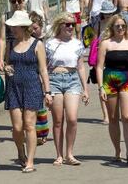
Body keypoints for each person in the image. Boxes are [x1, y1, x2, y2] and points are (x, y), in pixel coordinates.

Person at [4, 10, 51, 172]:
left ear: (23, 27)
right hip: (14, 88)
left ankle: (30, 161)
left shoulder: (37, 44)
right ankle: (20, 152)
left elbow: (43, 70)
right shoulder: (10, 43)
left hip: (32, 87)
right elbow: (7, 64)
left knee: (30, 125)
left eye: (14, 27)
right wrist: (6, 68)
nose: (12, 29)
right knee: (17, 127)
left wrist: (48, 91)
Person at [96, 15, 128, 163]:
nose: (120, 28)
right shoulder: (105, 43)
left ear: (127, 27)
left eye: (123, 26)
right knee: (113, 118)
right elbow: (99, 67)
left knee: (127, 116)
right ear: (112, 27)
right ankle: (117, 151)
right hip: (110, 80)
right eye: (117, 26)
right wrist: (100, 88)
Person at [45, 12, 89, 166]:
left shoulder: (77, 43)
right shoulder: (49, 43)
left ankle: (70, 153)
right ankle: (59, 155)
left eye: (73, 24)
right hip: (54, 80)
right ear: (60, 25)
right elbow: (43, 68)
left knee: (72, 118)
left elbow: (80, 67)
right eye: (67, 24)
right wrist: (46, 90)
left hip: (72, 80)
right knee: (58, 121)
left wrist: (85, 89)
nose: (71, 27)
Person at [29, 12, 49, 145]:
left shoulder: (44, 42)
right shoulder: (27, 42)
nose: (33, 31)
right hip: (31, 76)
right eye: (31, 28)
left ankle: (42, 133)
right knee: (33, 107)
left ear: (41, 27)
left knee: (41, 107)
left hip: (43, 75)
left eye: (36, 28)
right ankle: (34, 132)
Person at [0, 0, 26, 71]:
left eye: (19, 1)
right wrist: (1, 59)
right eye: (14, 1)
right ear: (10, 2)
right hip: (10, 54)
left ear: (23, 1)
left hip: (26, 53)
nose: (17, 4)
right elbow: (2, 39)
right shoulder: (5, 17)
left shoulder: (29, 16)